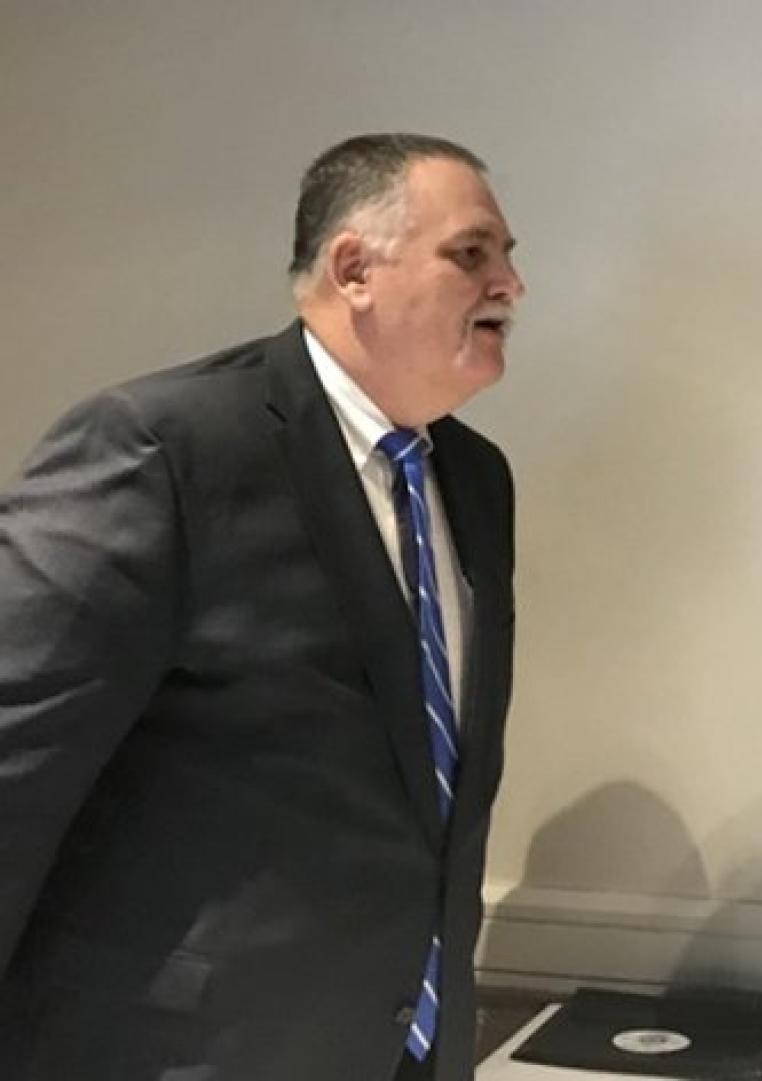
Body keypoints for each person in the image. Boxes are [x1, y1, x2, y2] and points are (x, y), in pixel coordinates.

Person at [0, 133, 524, 1081]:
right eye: (473, 252)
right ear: (355, 267)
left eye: (508, 257)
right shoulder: (163, 450)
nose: (509, 286)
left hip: (405, 1052)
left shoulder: (475, 482)